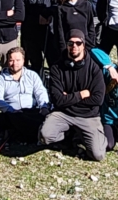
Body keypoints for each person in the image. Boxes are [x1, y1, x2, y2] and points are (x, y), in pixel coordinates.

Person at [39, 29, 106, 162]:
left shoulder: (94, 68)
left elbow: (98, 99)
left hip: (88, 116)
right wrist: (81, 94)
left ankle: (88, 135)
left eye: (78, 43)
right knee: (45, 136)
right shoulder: (56, 68)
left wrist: (68, 97)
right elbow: (57, 100)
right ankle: (69, 133)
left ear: (84, 45)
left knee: (98, 155)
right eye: (70, 43)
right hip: (63, 113)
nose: (74, 46)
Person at [0, 47, 49, 141]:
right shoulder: (1, 79)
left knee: (42, 117)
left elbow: (40, 92)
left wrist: (44, 107)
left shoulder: (32, 75)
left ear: (23, 60)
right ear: (7, 61)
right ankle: (31, 134)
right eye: (11, 60)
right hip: (12, 112)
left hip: (31, 111)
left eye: (18, 60)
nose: (15, 64)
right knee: (6, 119)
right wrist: (11, 110)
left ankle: (17, 133)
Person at [18, 0, 57, 74]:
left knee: (53, 61)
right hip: (30, 34)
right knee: (36, 64)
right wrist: (37, 18)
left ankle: (55, 88)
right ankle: (38, 87)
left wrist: (46, 15)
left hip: (49, 31)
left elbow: (58, 4)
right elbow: (21, 13)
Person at [50, 0, 98, 65]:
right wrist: (63, 50)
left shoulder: (86, 5)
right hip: (69, 48)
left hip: (85, 46)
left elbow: (91, 27)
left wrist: (91, 44)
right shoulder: (61, 8)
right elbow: (59, 32)